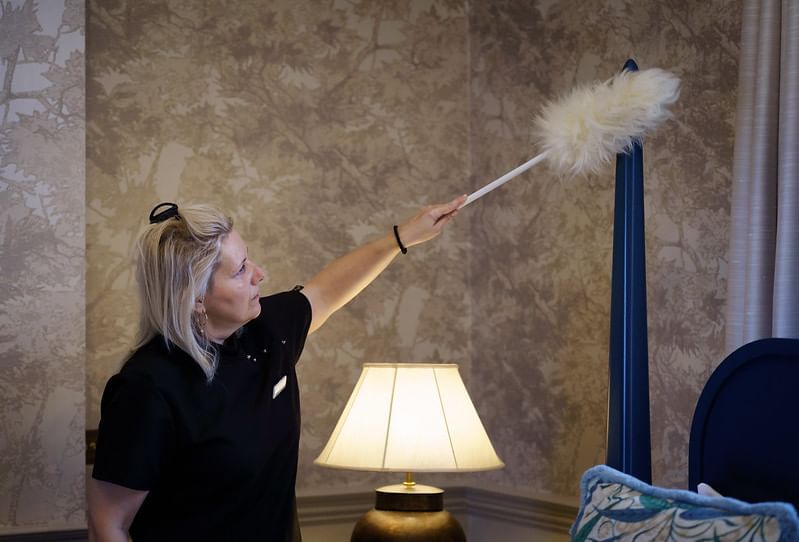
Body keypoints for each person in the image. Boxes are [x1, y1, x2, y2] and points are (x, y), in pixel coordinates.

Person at [87, 195, 466, 542]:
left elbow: (324, 292)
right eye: (239, 271)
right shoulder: (146, 387)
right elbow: (109, 523)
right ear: (196, 296)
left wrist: (402, 237)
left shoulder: (265, 333)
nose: (259, 273)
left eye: (249, 259)